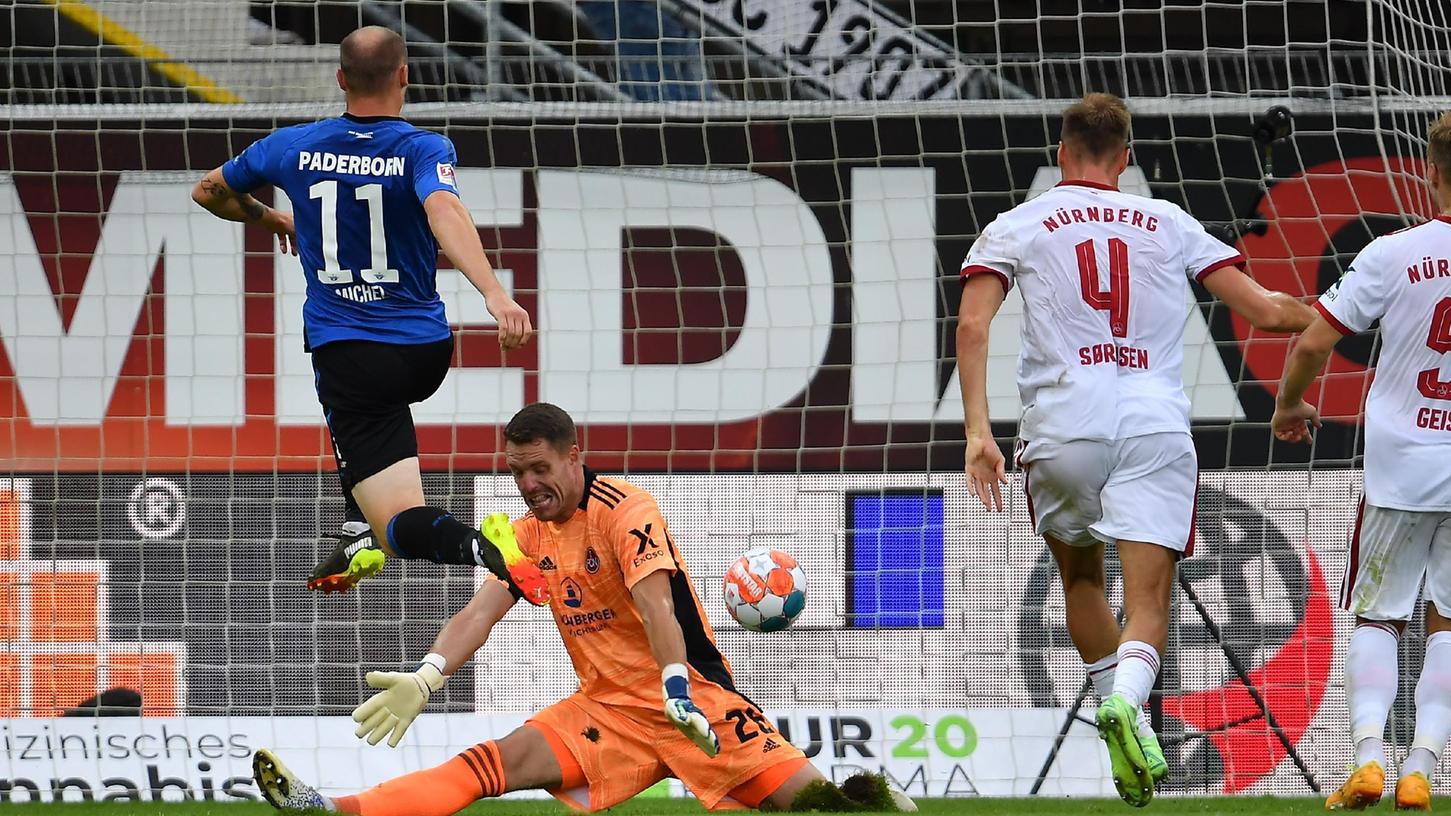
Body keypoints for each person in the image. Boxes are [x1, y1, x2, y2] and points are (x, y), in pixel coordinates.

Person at [250, 402, 915, 815]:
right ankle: (333, 809)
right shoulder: (529, 535)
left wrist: (677, 689)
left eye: (538, 468)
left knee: (819, 809)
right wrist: (427, 676)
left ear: (574, 457)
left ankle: (881, 801)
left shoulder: (626, 512)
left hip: (696, 705)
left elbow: (657, 606)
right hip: (604, 710)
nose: (528, 484)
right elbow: (479, 613)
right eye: (516, 472)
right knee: (492, 765)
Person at [956, 93, 1315, 807]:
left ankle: (1111, 713)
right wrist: (1324, 316)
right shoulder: (1168, 220)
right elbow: (1270, 314)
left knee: (1082, 582)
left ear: (1060, 154)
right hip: (1151, 421)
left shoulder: (1016, 223)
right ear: (1125, 161)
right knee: (1147, 599)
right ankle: (1128, 701)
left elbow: (972, 325)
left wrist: (976, 432)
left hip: (1061, 422)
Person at [189, 26, 547, 605]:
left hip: (351, 355)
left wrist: (270, 218)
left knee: (399, 524)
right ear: (405, 75)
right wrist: (494, 294)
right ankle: (356, 529)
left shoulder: (290, 146)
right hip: (424, 352)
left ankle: (476, 546)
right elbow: (445, 211)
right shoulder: (423, 148)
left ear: (339, 80)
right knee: (373, 423)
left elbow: (208, 191)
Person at [1272, 110, 1451, 813]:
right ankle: (1422, 770)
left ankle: (1368, 760)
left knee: (1378, 618)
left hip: (1400, 466)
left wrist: (1289, 404)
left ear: (1429, 172)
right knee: (1448, 622)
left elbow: (1314, 342)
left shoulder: (1391, 253)